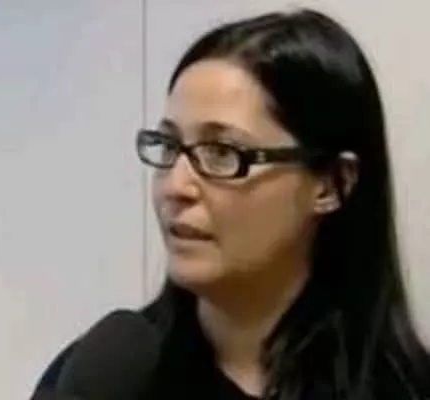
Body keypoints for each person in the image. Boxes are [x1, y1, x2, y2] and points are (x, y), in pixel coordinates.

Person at [32, 8, 430, 400]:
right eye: (169, 146)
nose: (175, 186)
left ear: (331, 184)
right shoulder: (105, 382)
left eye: (222, 152)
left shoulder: (406, 388)